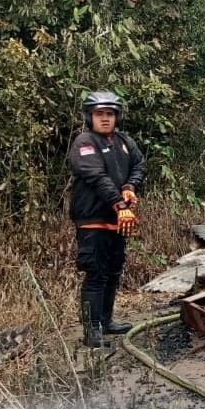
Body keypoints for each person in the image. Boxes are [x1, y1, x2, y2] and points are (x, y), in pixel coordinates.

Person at [67, 91, 145, 348]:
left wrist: (130, 186)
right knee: (95, 274)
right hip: (93, 218)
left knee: (113, 271)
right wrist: (120, 204)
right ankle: (91, 331)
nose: (104, 119)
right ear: (90, 116)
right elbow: (96, 176)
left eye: (109, 114)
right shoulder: (84, 142)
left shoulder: (124, 141)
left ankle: (106, 321)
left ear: (117, 116)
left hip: (119, 220)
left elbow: (139, 164)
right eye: (99, 114)